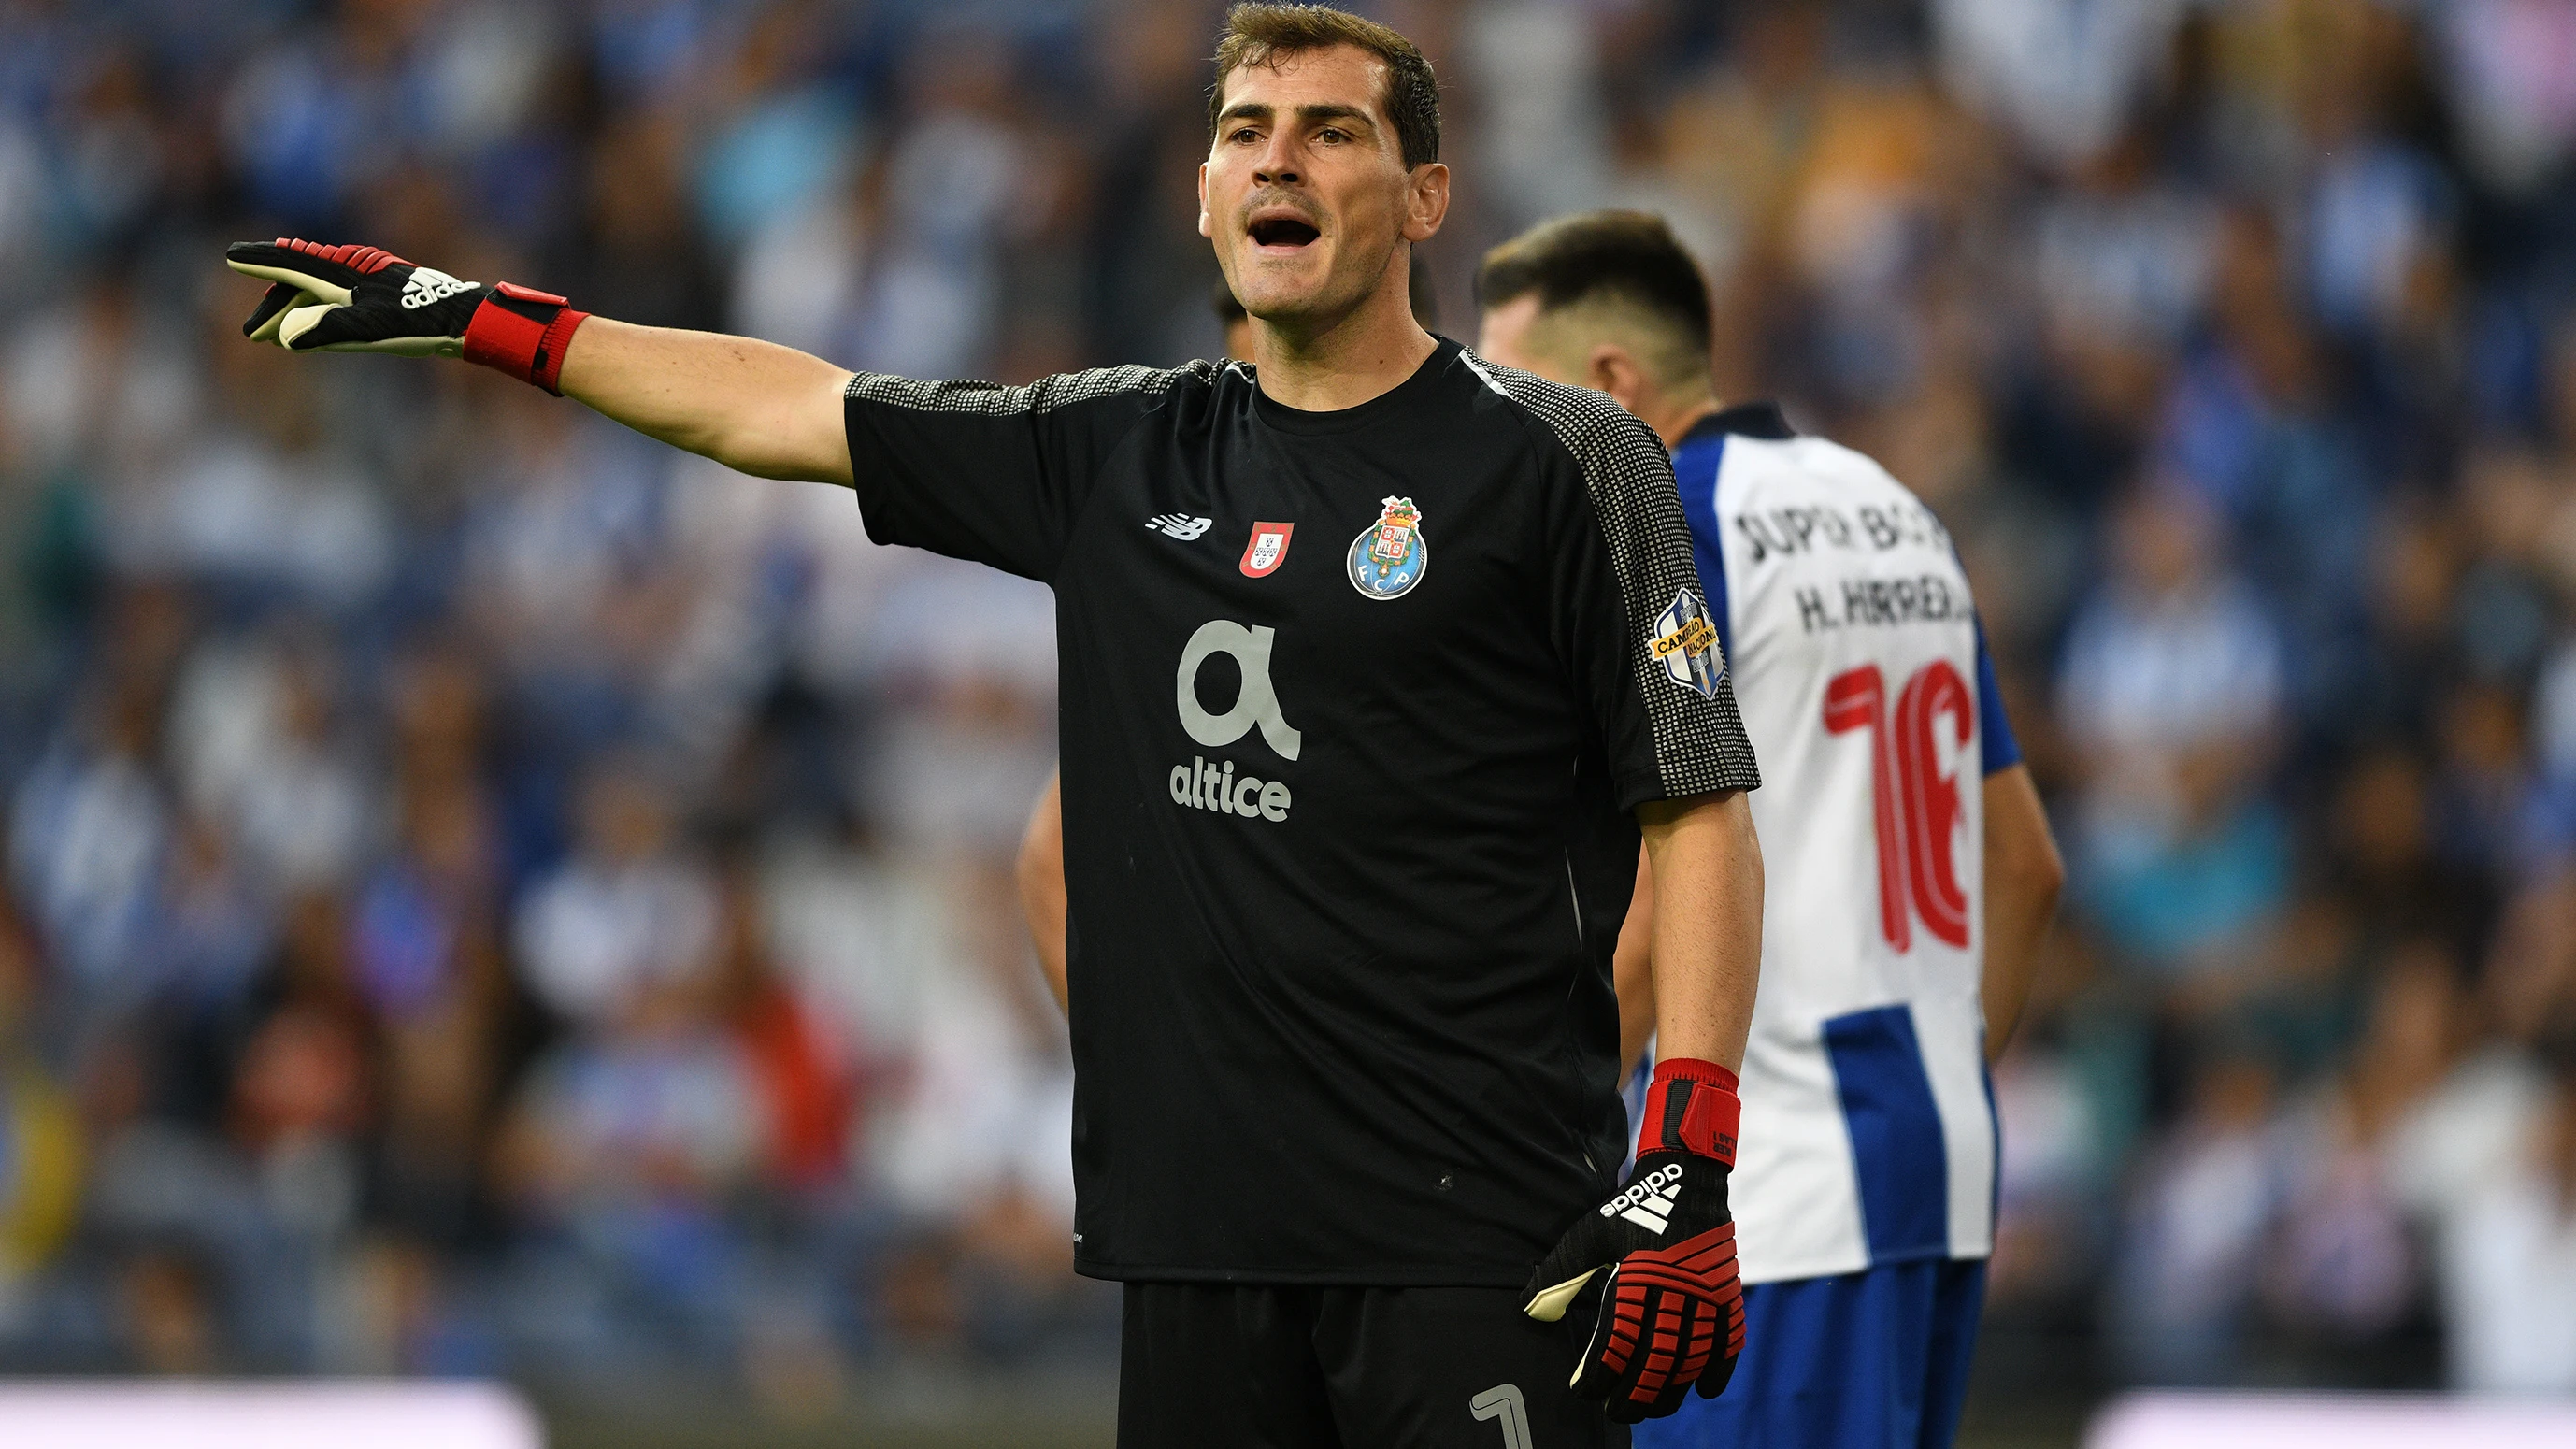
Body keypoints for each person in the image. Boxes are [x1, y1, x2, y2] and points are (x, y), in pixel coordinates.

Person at [220, 7, 1766, 1441]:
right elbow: (784, 407)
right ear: (1208, 196)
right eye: (1243, 130)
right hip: (1199, 1258)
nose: (1275, 156)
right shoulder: (1115, 448)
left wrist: (1685, 1152)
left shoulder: (1568, 460)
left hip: (1475, 1239)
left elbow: (1695, 805)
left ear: (1427, 197)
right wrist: (492, 322)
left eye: (1330, 129)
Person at [1474, 211, 2064, 1449]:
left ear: (1610, 387)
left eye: (1512, 399)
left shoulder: (1664, 523)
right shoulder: (1892, 508)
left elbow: (1653, 912)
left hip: (1769, 1202)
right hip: (1940, 1168)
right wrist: (1933, 1084)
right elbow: (2025, 865)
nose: (1494, 443)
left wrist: (1528, 1189)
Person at [1018, 253, 1441, 1011]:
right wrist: (1142, 1075)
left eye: (1302, 386)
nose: (1277, 428)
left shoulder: (1486, 532)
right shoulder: (1201, 582)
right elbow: (1053, 861)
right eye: (1250, 387)